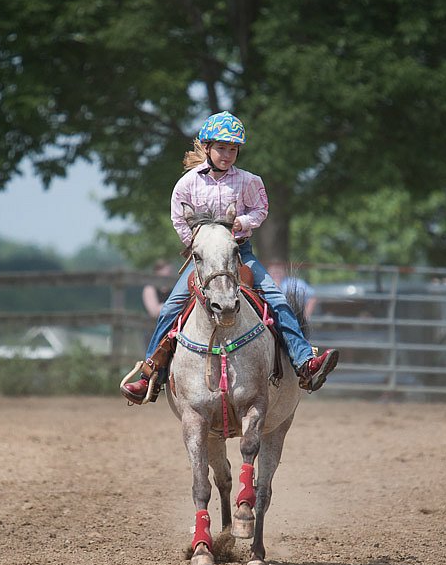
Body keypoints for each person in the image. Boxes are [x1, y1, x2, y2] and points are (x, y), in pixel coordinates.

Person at [120, 111, 338, 404]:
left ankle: (304, 363)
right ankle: (151, 375)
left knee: (276, 298)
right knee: (170, 308)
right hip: (204, 259)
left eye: (233, 149)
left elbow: (260, 210)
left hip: (240, 253)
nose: (227, 154)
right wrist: (200, 247)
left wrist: (243, 224)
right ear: (208, 148)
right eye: (221, 148)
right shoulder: (187, 184)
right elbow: (178, 219)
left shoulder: (249, 181)